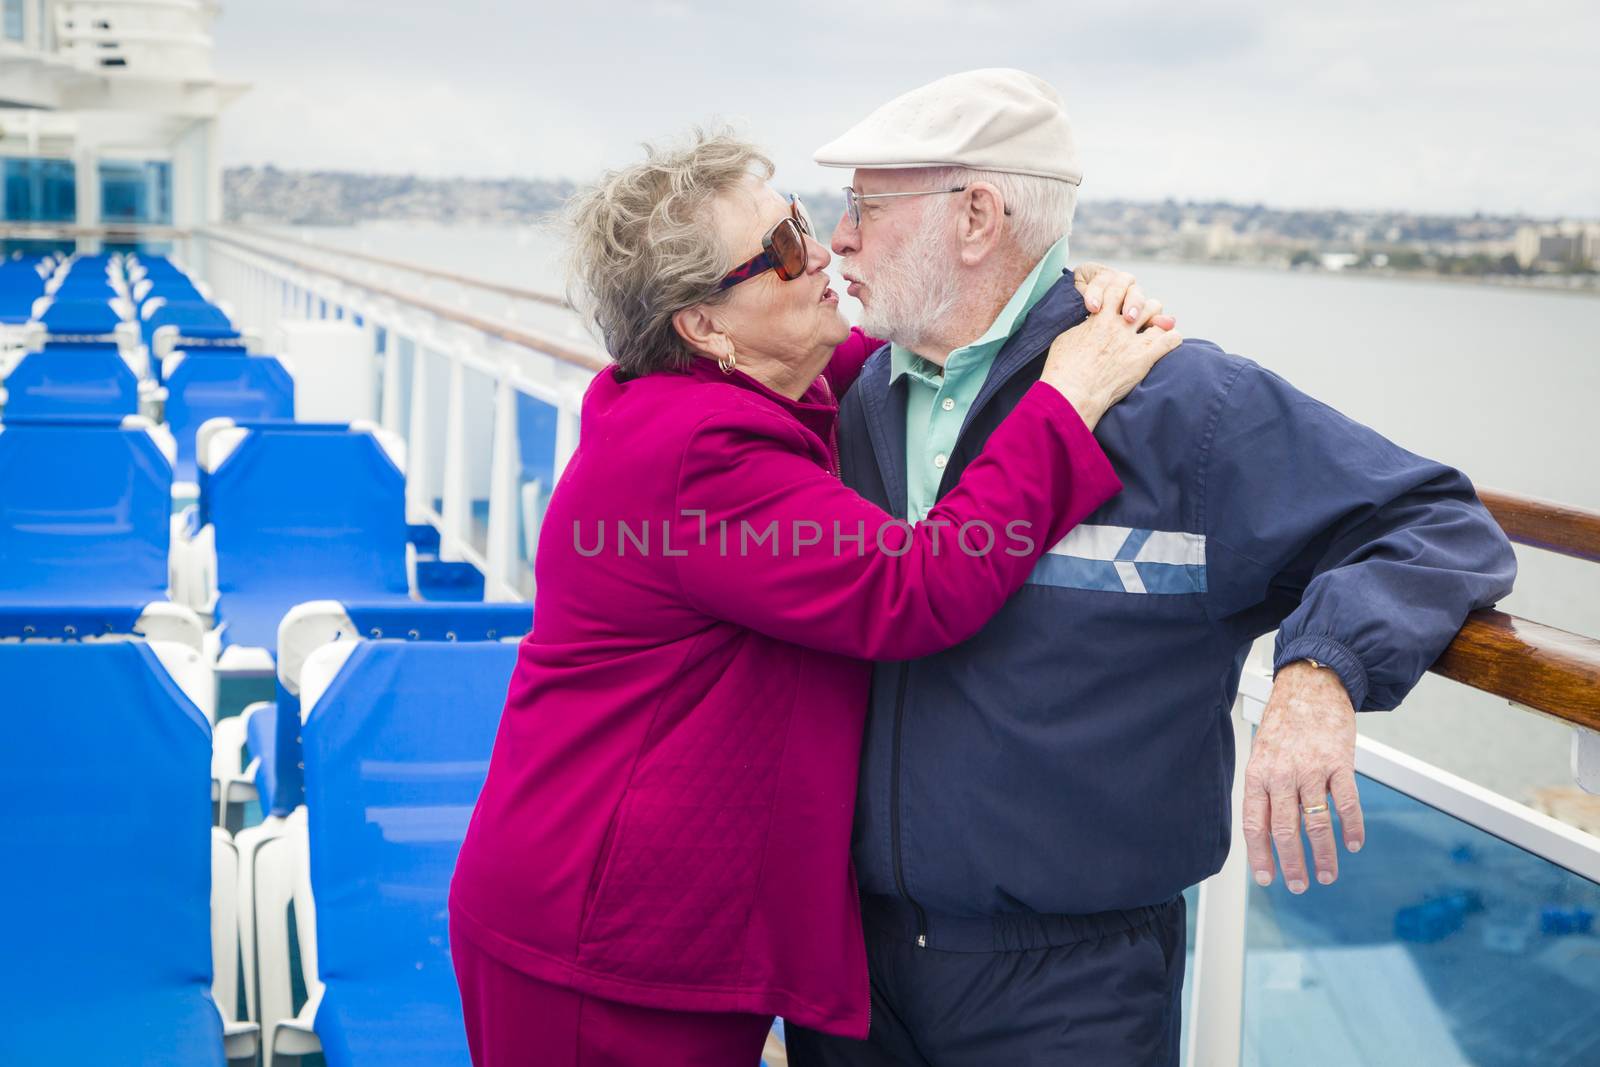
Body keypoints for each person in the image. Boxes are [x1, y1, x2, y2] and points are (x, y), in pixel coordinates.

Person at [784, 69, 1518, 1066]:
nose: (838, 238)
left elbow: (1433, 519)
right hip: (849, 972)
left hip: (1067, 992)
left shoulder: (1183, 411)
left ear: (976, 218)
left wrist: (1322, 664)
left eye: (865, 207)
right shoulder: (856, 398)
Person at [447, 128, 1182, 1065]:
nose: (824, 249)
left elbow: (924, 344)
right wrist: (1067, 397)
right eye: (785, 248)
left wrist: (1052, 292)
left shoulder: (750, 390)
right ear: (703, 326)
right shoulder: (698, 454)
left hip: (643, 922)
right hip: (595, 946)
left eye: (801, 219)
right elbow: (918, 589)